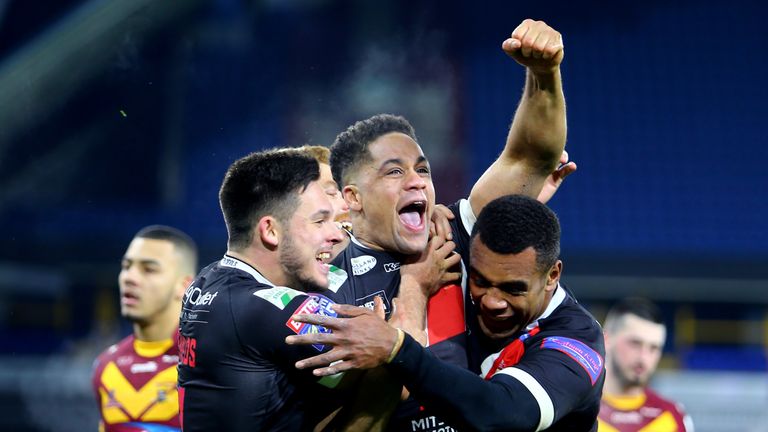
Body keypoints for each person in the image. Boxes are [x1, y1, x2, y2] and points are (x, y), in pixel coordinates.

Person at [322, 18, 573, 430]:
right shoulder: (324, 282)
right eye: (394, 172)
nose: (417, 180)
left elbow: (531, 157)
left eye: (422, 169)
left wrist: (544, 74)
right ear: (352, 198)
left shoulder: (454, 231)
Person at [176, 148, 445, 431]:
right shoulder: (271, 309)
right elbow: (400, 369)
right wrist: (415, 284)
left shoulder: (208, 281)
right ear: (270, 231)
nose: (336, 233)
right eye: (319, 221)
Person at [287, 194, 606, 431]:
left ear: (552, 275)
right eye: (482, 281)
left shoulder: (578, 341)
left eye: (513, 289)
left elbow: (502, 413)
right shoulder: (455, 275)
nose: (492, 301)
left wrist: (396, 348)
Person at [91, 225, 198, 432]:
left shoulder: (210, 360)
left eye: (148, 269)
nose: (129, 278)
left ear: (185, 286)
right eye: (126, 266)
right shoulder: (106, 367)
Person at [598, 298, 694, 432]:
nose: (644, 358)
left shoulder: (671, 417)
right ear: (606, 340)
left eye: (653, 348)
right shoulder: (572, 409)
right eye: (635, 343)